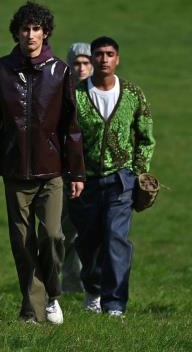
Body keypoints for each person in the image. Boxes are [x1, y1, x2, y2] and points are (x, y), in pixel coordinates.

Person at [0, 1, 85, 324]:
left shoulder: (61, 71)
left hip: (52, 171)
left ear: (46, 32)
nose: (30, 34)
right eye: (25, 28)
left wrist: (77, 172)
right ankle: (32, 310)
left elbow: (71, 127)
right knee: (22, 244)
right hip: (13, 171)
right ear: (17, 33)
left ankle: (52, 294)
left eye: (36, 28)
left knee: (52, 236)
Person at [69, 36, 155, 317]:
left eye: (110, 54)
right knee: (88, 244)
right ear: (92, 59)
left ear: (117, 59)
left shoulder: (133, 94)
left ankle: (115, 304)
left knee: (116, 240)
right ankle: (93, 289)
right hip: (85, 182)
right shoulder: (77, 95)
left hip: (121, 180)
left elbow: (146, 137)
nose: (104, 59)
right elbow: (65, 137)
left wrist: (139, 172)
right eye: (99, 54)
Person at [61, 42, 93, 293]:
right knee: (66, 229)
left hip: (95, 171)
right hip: (66, 171)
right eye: (77, 63)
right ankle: (71, 281)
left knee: (95, 230)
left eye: (86, 63)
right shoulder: (62, 92)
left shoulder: (101, 91)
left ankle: (95, 282)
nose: (81, 68)